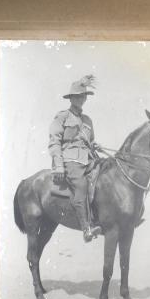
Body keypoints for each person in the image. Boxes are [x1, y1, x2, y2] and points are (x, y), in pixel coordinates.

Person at [48, 75, 102, 243]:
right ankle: (86, 228)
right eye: (77, 96)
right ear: (71, 98)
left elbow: (90, 141)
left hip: (89, 159)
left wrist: (95, 146)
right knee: (81, 185)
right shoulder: (62, 117)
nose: (81, 99)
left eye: (83, 96)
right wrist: (59, 166)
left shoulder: (87, 120)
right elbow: (54, 141)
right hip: (70, 160)